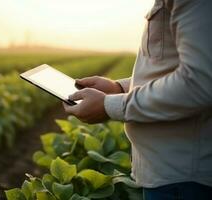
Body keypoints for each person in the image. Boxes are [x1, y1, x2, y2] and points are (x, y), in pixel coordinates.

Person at [63, 0, 212, 199]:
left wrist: (110, 105)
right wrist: (119, 88)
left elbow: (199, 82)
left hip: (184, 181)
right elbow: (176, 69)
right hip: (172, 175)